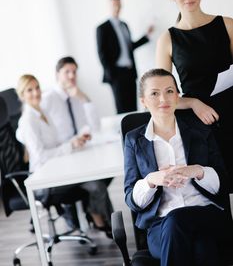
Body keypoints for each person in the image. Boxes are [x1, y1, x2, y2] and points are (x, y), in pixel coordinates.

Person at [124, 68, 233, 266]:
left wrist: (198, 171)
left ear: (177, 96)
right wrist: (151, 180)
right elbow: (132, 200)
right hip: (161, 227)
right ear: (143, 101)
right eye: (154, 93)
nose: (163, 99)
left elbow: (224, 183)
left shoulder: (200, 130)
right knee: (201, 245)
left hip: (206, 213)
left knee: (178, 221)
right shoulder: (134, 140)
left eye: (169, 91)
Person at [155, 0, 233, 188]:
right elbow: (162, 96)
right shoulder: (167, 39)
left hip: (232, 108)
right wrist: (193, 103)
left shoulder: (227, 25)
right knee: (216, 186)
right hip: (200, 122)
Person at [16, 74, 113, 238]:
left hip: (56, 170)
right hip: (44, 179)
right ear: (22, 95)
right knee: (95, 184)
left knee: (97, 182)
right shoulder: (28, 120)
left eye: (37, 87)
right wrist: (69, 146)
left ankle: (104, 220)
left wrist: (75, 140)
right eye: (29, 90)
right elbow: (40, 156)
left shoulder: (42, 112)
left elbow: (55, 143)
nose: (35, 93)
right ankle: (102, 221)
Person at [41, 56, 113, 232]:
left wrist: (83, 98)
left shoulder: (75, 95)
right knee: (97, 184)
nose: (72, 76)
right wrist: (66, 144)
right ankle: (104, 222)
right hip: (60, 158)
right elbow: (32, 132)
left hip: (78, 153)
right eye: (67, 72)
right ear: (57, 74)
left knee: (106, 171)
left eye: (74, 72)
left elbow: (95, 126)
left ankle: (99, 216)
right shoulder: (48, 98)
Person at [96, 0, 154, 113]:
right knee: (122, 108)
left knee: (133, 107)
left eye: (119, 5)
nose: (117, 7)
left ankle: (133, 131)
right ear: (109, 7)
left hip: (130, 72)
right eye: (114, 4)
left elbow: (129, 47)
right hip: (116, 74)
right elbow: (102, 53)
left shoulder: (124, 25)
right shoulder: (102, 28)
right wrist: (111, 74)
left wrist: (146, 36)